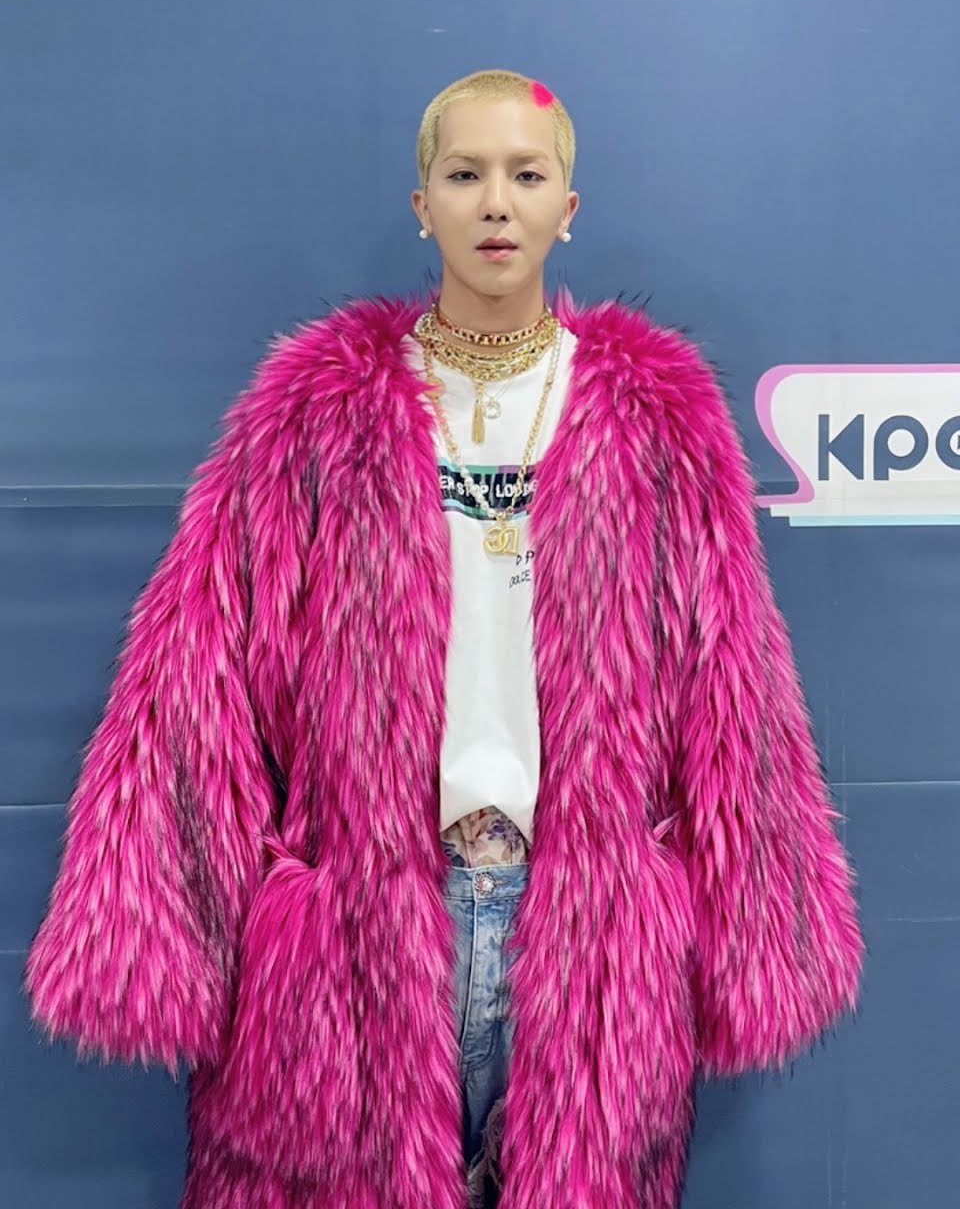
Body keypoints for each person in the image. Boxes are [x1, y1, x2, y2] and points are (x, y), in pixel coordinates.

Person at [23, 69, 865, 1209]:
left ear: (569, 205)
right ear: (423, 204)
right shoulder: (314, 412)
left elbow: (736, 684)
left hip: (588, 953)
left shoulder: (657, 418)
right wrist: (158, 934)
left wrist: (760, 934)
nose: (497, 202)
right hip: (355, 951)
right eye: (466, 174)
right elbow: (194, 676)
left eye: (527, 174)